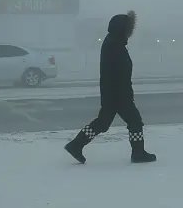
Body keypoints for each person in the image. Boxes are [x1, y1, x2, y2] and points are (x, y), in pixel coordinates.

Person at [64, 10, 157, 164]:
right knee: (134, 122)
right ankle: (138, 153)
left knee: (102, 122)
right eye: (128, 29)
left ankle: (76, 145)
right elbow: (117, 74)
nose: (130, 32)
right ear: (122, 29)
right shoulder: (115, 46)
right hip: (118, 94)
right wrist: (124, 96)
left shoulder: (114, 43)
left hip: (113, 93)